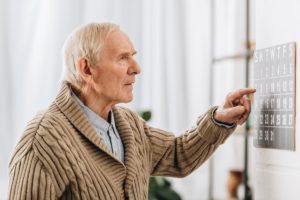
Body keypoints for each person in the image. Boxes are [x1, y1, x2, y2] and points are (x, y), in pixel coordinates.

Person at [8, 22, 255, 200]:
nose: (136, 68)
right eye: (123, 58)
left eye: (133, 56)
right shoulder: (42, 140)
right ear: (87, 69)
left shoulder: (127, 123)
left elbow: (178, 155)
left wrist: (218, 119)